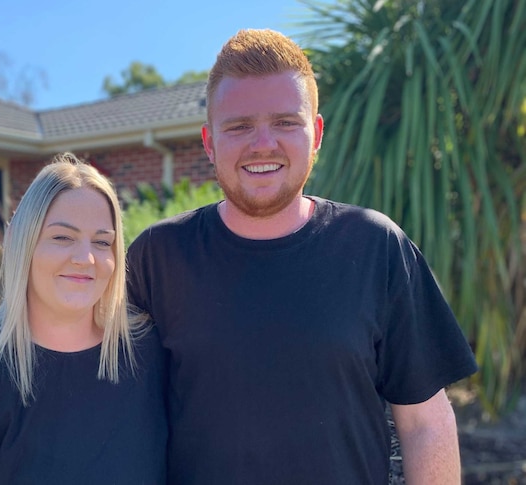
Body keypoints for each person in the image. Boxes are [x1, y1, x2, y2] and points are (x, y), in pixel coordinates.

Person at [126, 29, 478, 484]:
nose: (263, 143)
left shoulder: (375, 248)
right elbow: (114, 417)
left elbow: (426, 422)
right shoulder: (158, 259)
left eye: (286, 122)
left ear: (315, 134)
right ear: (209, 141)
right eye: (239, 126)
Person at [0, 153, 167, 485]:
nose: (86, 259)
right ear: (21, 241)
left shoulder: (147, 355)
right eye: (62, 237)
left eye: (102, 242)